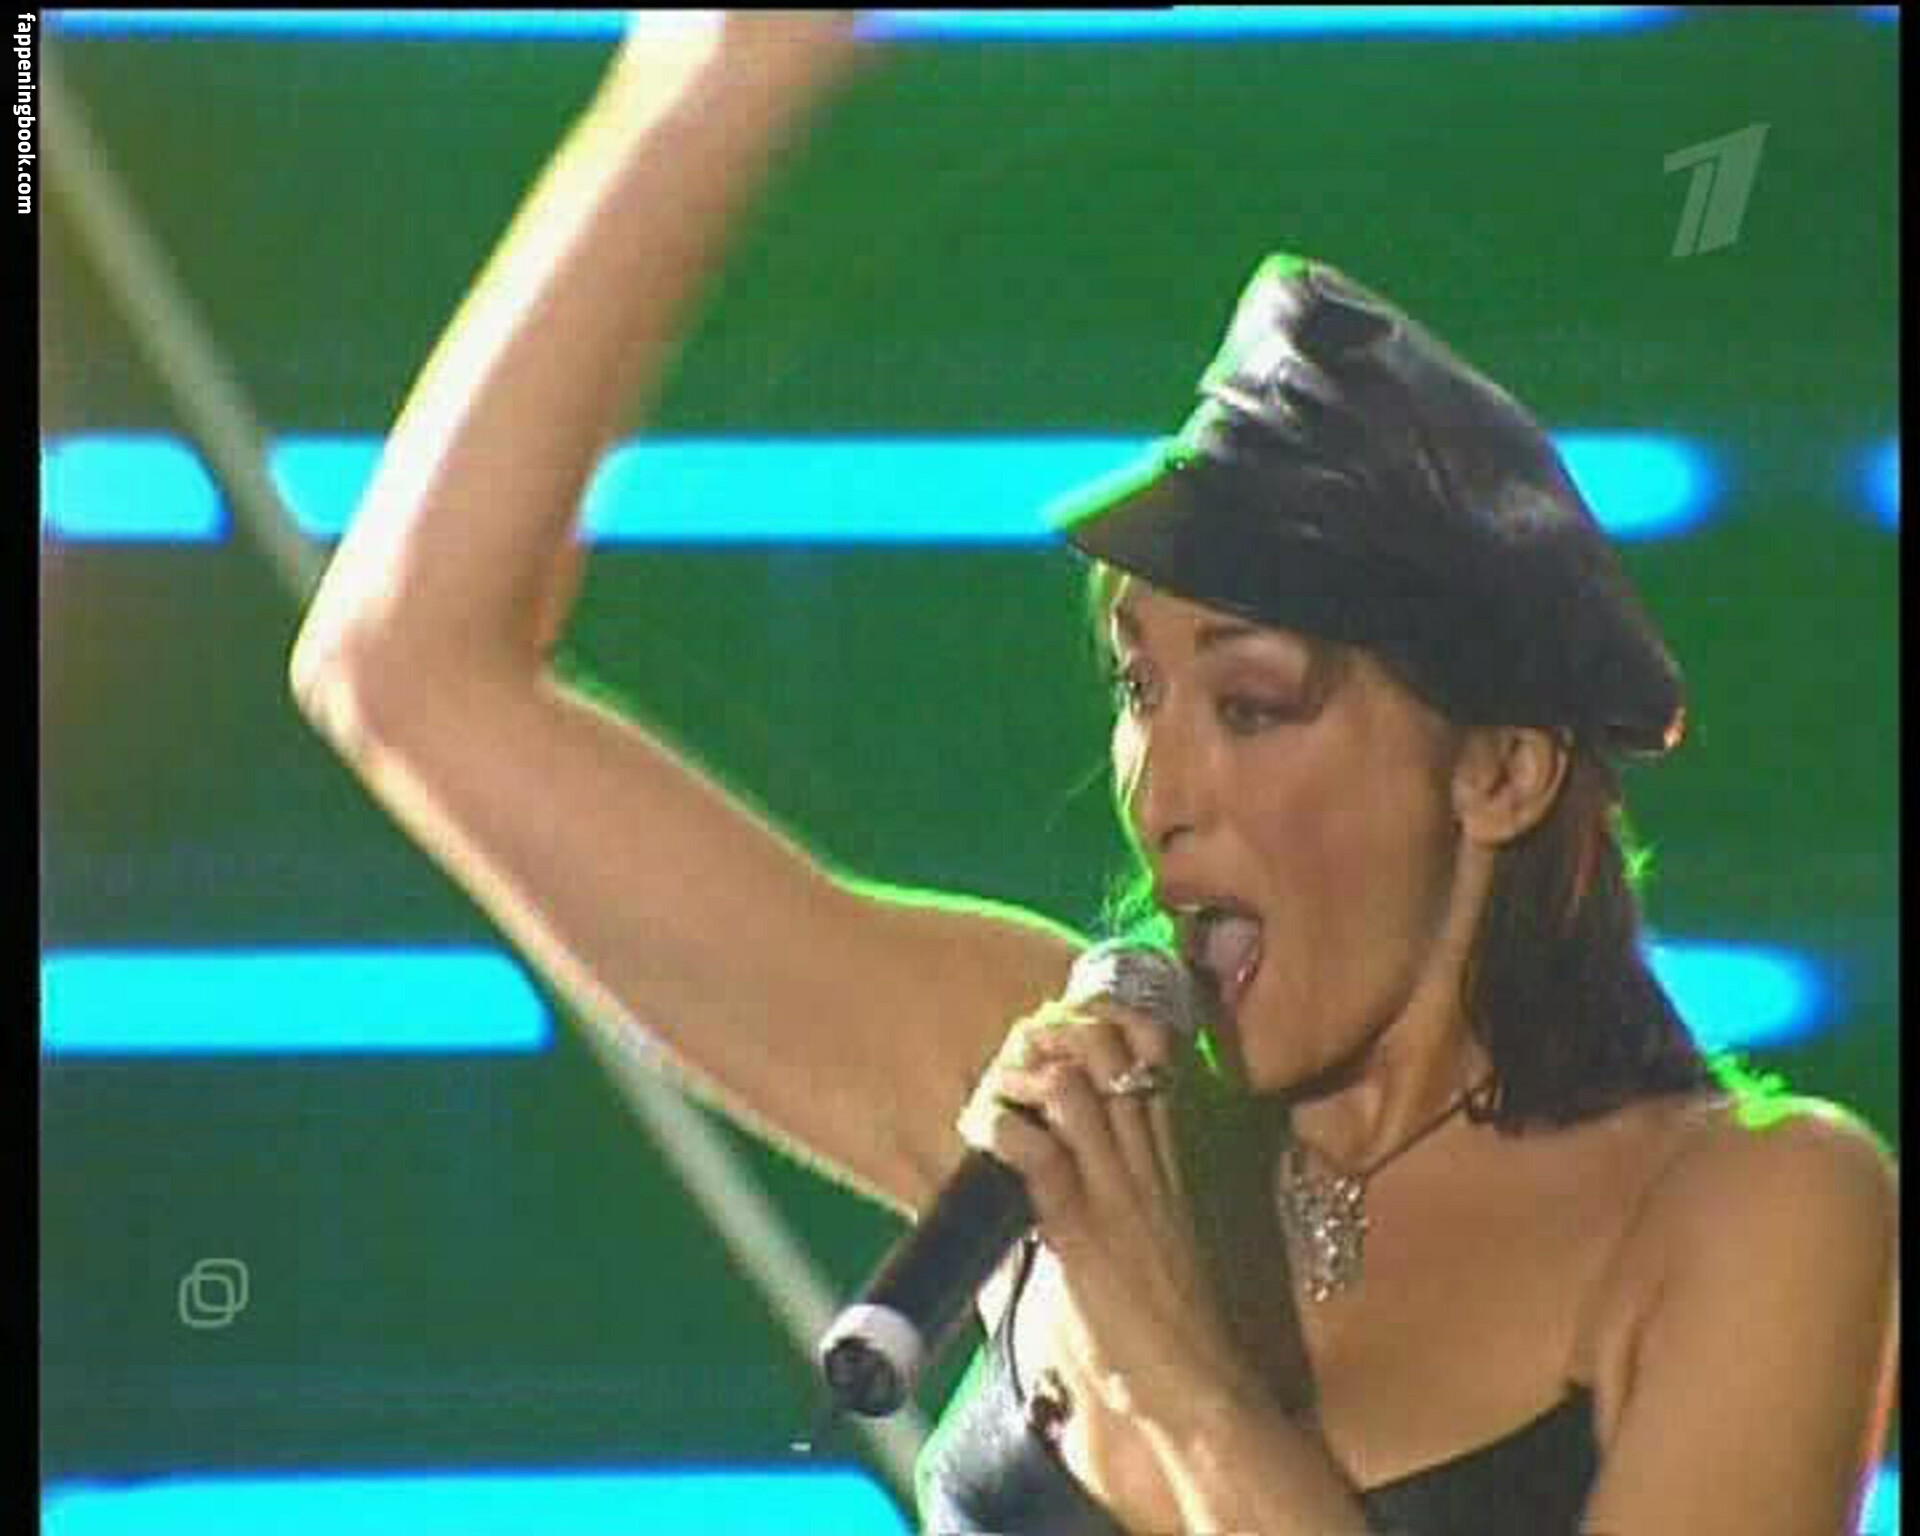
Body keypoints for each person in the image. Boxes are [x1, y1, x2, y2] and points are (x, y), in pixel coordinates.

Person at [288, 14, 1897, 1534]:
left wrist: (1174, 1379)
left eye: (1253, 705)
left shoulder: (1752, 1214)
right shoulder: (1069, 1103)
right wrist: (714, 78)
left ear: (1499, 775)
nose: (1161, 788)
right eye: (1141, 690)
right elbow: (410, 672)